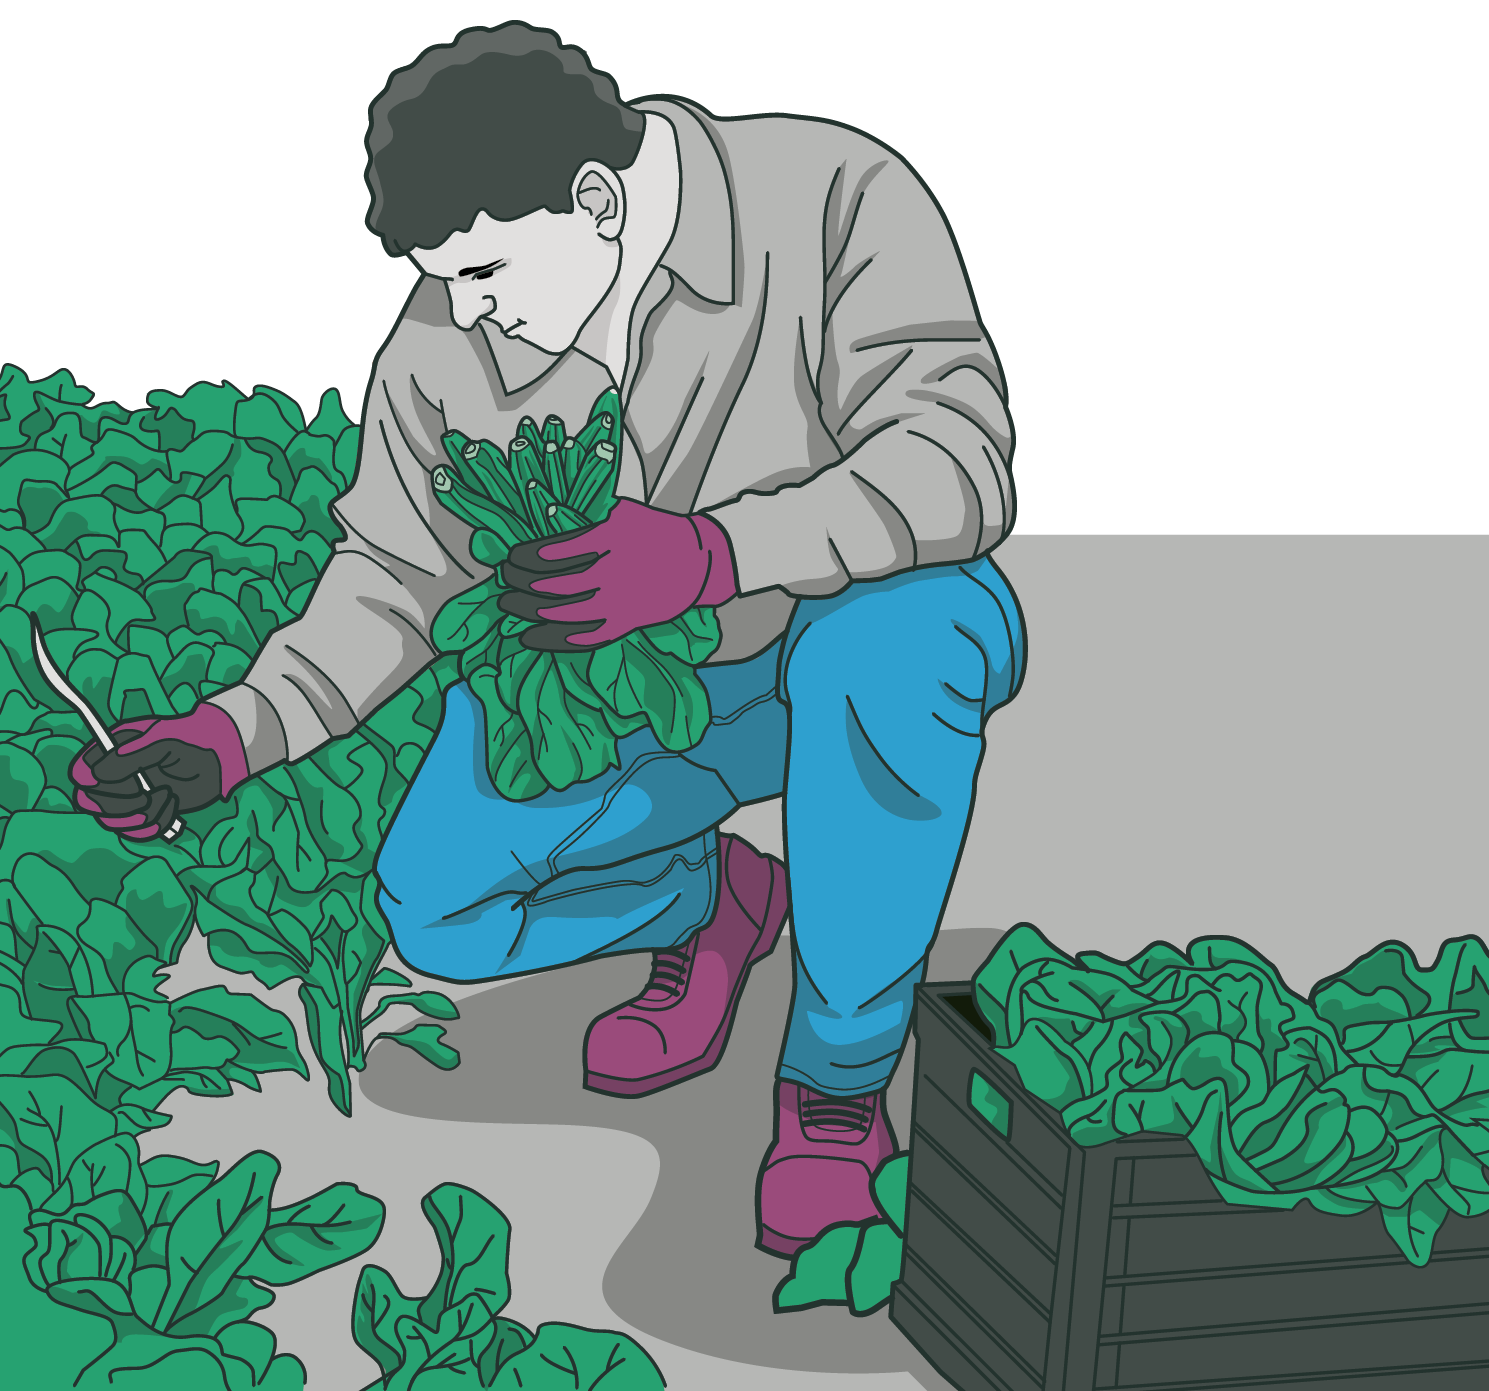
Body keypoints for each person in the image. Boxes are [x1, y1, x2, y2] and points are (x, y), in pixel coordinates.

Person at [68, 21, 1026, 1258]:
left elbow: (959, 462)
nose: (465, 312)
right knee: (441, 905)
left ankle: (834, 1089)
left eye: (486, 275)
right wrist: (232, 733)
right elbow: (396, 574)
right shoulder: (440, 342)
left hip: (840, 637)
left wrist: (711, 553)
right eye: (443, 280)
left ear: (595, 201)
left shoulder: (835, 196)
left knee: (900, 647)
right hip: (643, 687)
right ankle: (718, 902)